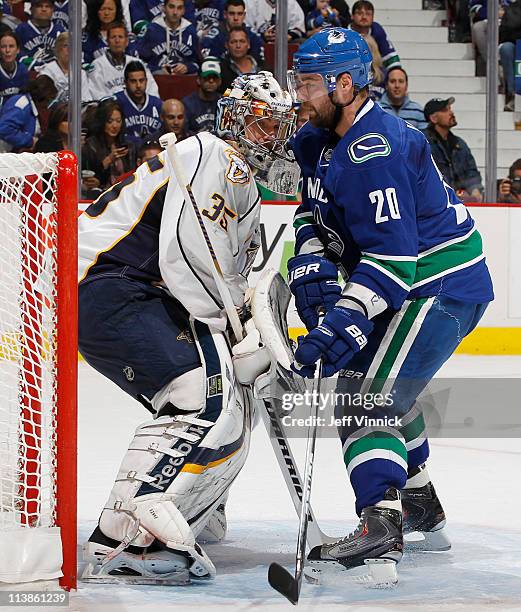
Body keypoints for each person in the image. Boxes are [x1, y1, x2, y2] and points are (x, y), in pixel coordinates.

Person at [286, 28, 493, 583]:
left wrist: (344, 320)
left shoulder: (378, 149)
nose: (298, 96)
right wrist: (309, 258)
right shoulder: (316, 139)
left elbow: (394, 263)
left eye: (307, 84)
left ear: (344, 84)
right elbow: (314, 213)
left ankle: (381, 524)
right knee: (383, 388)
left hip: (439, 285)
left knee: (364, 396)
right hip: (410, 280)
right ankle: (420, 503)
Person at [78, 71, 298, 584]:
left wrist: (244, 329)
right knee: (201, 393)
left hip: (134, 290)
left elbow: (232, 276)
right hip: (105, 281)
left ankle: (196, 502)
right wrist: (227, 328)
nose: (273, 137)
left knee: (232, 397)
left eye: (279, 126)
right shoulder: (209, 154)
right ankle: (125, 538)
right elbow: (186, 254)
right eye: (263, 123)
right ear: (236, 120)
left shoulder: (241, 182)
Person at [423, 97, 484, 203]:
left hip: (459, 203)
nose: (451, 112)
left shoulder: (459, 144)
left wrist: (475, 189)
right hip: (433, 204)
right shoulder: (423, 142)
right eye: (445, 110)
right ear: (433, 118)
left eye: (450, 109)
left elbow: (471, 171)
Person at [88, 22, 159, 100]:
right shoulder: (97, 65)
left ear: (127, 42)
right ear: (107, 41)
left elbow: (152, 90)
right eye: (113, 37)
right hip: (111, 109)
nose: (117, 41)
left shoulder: (138, 63)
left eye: (120, 37)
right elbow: (96, 94)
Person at [81, 98, 137, 194]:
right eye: (110, 121)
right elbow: (89, 176)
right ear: (102, 122)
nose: (115, 126)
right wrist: (108, 161)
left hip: (126, 193)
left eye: (118, 121)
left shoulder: (128, 145)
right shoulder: (90, 146)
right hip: (99, 194)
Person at [139, 0, 199, 75]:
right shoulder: (152, 30)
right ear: (164, 8)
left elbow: (197, 62)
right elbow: (142, 62)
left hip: (183, 79)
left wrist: (187, 67)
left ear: (184, 11)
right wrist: (158, 70)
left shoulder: (191, 31)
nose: (175, 12)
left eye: (179, 8)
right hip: (157, 79)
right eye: (171, 7)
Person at [0, 74, 57, 152]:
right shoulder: (21, 104)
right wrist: (30, 141)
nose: (47, 106)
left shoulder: (30, 106)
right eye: (49, 100)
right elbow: (4, 129)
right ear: (42, 96)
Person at [114, 60, 163, 145]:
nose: (138, 86)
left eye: (141, 80)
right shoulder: (116, 102)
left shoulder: (157, 104)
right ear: (125, 83)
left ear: (146, 81)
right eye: (133, 81)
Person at [36, 32, 92, 102]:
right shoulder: (47, 71)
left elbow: (86, 99)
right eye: (65, 46)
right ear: (57, 49)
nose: (69, 50)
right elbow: (43, 100)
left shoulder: (80, 73)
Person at [349, 0, 400, 71]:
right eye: (359, 13)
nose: (364, 17)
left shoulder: (376, 30)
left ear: (373, 17)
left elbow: (391, 59)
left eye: (368, 14)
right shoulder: (343, 31)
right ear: (352, 16)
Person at [83, 0, 138, 65]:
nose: (106, 13)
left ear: (117, 11)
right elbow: (85, 64)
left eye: (110, 9)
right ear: (96, 10)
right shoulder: (87, 37)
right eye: (102, 9)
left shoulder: (129, 37)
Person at [16, 0, 66, 70]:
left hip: (55, 75)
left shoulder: (59, 30)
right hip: (30, 74)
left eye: (47, 6)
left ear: (52, 10)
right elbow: (18, 56)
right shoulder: (21, 29)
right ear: (31, 9)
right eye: (39, 6)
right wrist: (38, 64)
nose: (44, 9)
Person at [182, 57, 221, 134]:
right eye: (207, 77)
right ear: (199, 80)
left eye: (215, 78)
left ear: (220, 81)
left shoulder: (224, 103)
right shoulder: (187, 104)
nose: (211, 81)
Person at [218, 25, 262, 92]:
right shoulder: (221, 70)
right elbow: (222, 95)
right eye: (233, 42)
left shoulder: (262, 67)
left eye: (242, 41)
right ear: (227, 45)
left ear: (248, 44)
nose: (238, 46)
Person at [499, 0, 521, 111]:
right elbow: (505, 31)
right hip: (515, 43)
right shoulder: (513, 8)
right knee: (506, 49)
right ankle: (513, 94)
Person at [0, 31, 29, 103]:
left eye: (11, 46)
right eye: (3, 47)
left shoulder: (23, 70)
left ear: (18, 50)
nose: (7, 50)